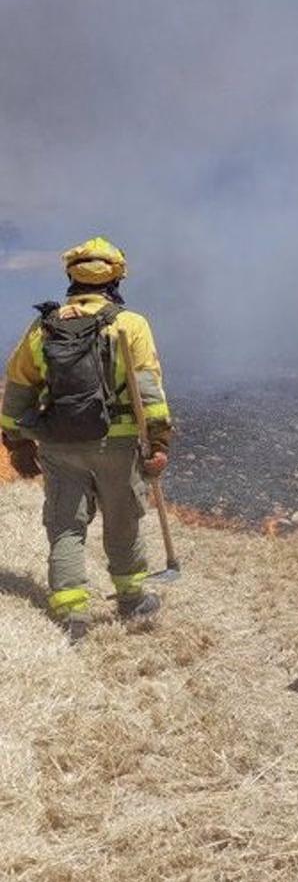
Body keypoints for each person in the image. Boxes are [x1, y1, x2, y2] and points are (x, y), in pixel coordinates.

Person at [1, 237, 172, 641]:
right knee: (123, 519)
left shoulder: (44, 327)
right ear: (116, 277)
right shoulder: (130, 324)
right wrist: (160, 441)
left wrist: (16, 442)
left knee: (66, 525)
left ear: (71, 276)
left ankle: (72, 612)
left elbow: (19, 386)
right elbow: (148, 388)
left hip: (59, 445)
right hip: (118, 445)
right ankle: (131, 599)